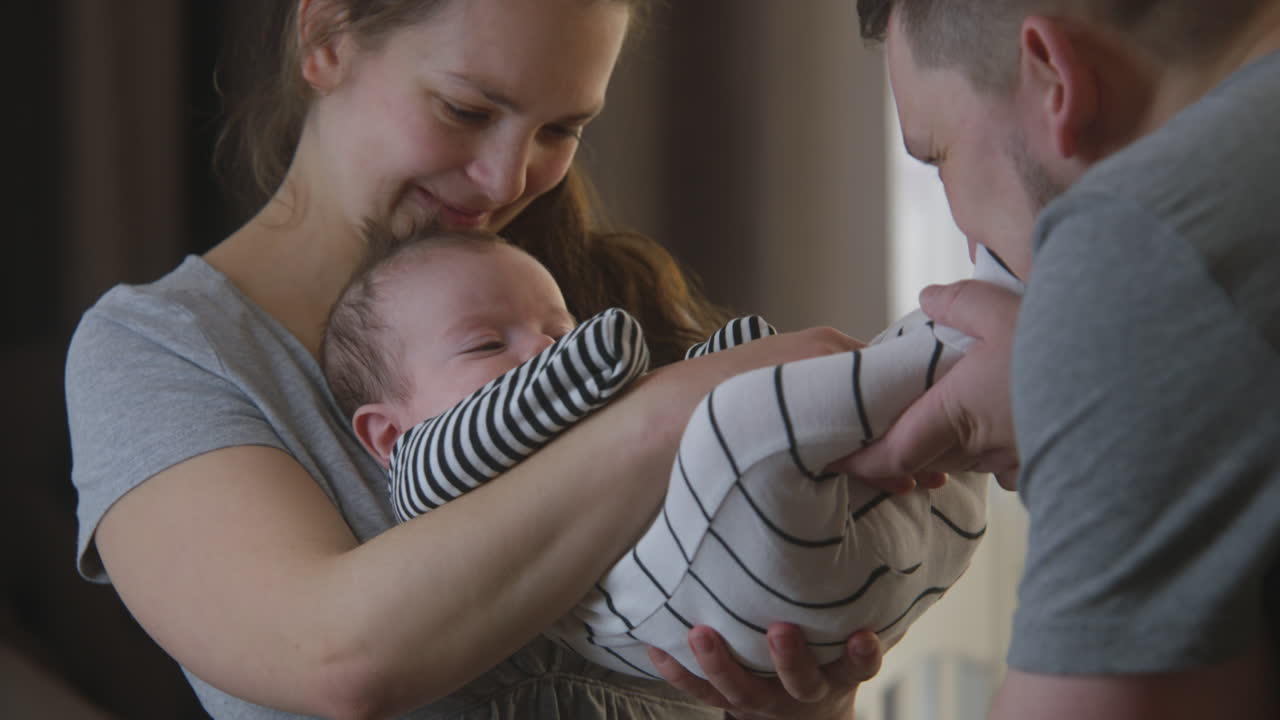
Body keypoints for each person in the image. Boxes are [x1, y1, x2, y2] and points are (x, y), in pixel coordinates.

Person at [63, 1, 888, 718]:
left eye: (561, 129)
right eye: (465, 108)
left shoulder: (596, 318)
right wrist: (670, 414)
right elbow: (336, 659)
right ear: (326, 37)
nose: (506, 178)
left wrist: (806, 703)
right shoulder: (163, 351)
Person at [837, 1, 1280, 718]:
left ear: (1053, 76)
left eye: (937, 157)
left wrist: (1088, 366)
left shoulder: (1135, 248)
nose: (972, 253)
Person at [320, 228, 1020, 683]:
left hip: (855, 574)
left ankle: (986, 334)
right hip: (723, 581)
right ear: (385, 433)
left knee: (935, 444)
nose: (542, 353)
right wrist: (613, 363)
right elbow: (629, 387)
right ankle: (980, 334)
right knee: (753, 419)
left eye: (556, 329)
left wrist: (712, 364)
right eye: (484, 345)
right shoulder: (426, 470)